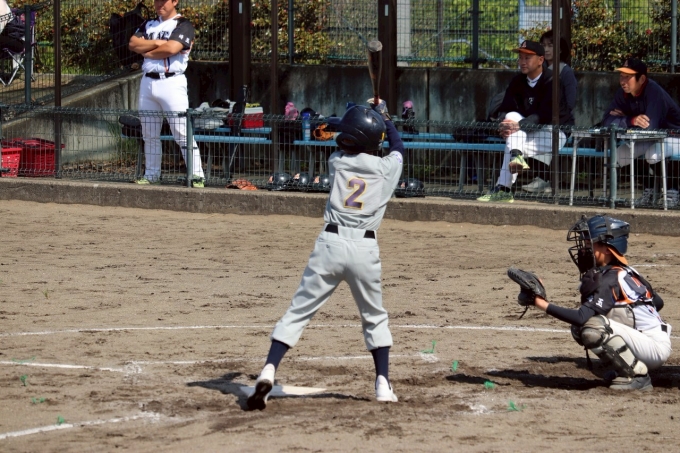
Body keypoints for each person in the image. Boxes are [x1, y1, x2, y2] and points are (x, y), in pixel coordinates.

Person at [247, 100, 404, 411]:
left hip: (329, 245)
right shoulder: (388, 169)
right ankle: (383, 384)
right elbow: (397, 145)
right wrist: (385, 118)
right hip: (364, 249)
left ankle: (269, 370)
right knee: (374, 316)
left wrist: (365, 114)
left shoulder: (337, 161)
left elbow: (341, 131)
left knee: (298, 311)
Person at [522, 214, 671, 391]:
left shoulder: (611, 278)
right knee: (583, 327)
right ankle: (625, 365)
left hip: (653, 348)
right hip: (650, 342)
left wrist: (540, 303)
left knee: (593, 327)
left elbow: (581, 317)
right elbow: (657, 303)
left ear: (607, 248)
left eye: (588, 244)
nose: (583, 250)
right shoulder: (628, 271)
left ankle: (637, 375)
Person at [477, 40, 567, 203]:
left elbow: (545, 115)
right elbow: (506, 108)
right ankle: (515, 158)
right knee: (512, 120)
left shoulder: (552, 81)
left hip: (554, 133)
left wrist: (517, 126)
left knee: (511, 143)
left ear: (540, 60)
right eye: (520, 57)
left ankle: (503, 189)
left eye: (527, 58)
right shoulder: (518, 81)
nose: (522, 62)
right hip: (524, 133)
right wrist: (504, 124)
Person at [129, 0, 205, 187]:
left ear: (175, 1)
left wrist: (147, 50)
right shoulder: (148, 24)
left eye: (164, 1)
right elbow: (133, 43)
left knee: (181, 131)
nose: (159, 4)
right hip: (148, 81)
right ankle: (152, 175)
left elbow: (172, 48)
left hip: (172, 81)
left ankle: (197, 176)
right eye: (157, 1)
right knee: (149, 133)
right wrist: (157, 43)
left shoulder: (183, 24)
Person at [602, 58, 680, 207]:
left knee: (653, 155)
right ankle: (649, 188)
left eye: (628, 77)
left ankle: (673, 190)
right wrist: (631, 120)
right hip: (652, 137)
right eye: (621, 76)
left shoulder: (654, 91)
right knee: (620, 155)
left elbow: (649, 127)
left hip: (674, 135)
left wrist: (622, 120)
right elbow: (607, 120)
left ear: (642, 79)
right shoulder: (622, 93)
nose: (623, 81)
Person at [518, 30, 578, 194]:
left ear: (560, 49)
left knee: (546, 136)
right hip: (540, 120)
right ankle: (540, 179)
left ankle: (543, 180)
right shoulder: (539, 70)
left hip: (561, 123)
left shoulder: (565, 72)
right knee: (524, 136)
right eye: (544, 45)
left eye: (551, 45)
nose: (546, 49)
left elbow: (570, 102)